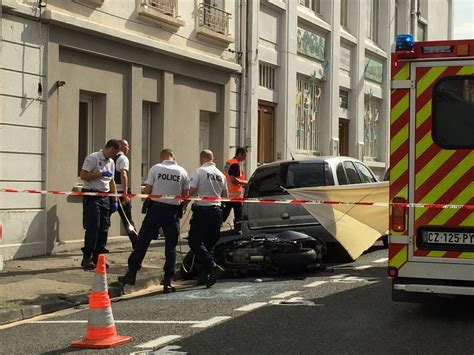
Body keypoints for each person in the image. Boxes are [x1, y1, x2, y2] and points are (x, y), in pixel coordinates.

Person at [118, 149, 189, 293]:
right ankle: (167, 282)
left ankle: (131, 273)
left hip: (155, 210)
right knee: (170, 247)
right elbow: (186, 195)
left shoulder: (156, 168)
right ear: (173, 157)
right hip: (172, 212)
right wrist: (182, 207)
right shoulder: (182, 171)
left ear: (161, 157)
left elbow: (147, 190)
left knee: (143, 242)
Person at [187, 150, 228, 288]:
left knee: (194, 241)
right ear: (212, 159)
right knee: (210, 244)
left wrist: (184, 204)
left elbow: (191, 191)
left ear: (202, 159)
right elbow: (225, 195)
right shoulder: (221, 175)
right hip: (216, 212)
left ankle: (212, 266)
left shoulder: (199, 171)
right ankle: (205, 276)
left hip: (202, 211)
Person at [79, 139, 121, 270]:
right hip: (92, 195)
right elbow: (83, 175)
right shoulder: (93, 158)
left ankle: (99, 258)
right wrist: (100, 174)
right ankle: (87, 258)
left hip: (105, 196)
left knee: (104, 227)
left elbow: (112, 181)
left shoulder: (111, 162)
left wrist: (114, 199)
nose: (114, 155)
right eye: (114, 152)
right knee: (93, 227)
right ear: (109, 148)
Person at [113, 139, 137, 248]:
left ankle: (99, 246)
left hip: (110, 192)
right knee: (128, 220)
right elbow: (123, 174)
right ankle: (136, 244)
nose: (128, 148)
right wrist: (126, 194)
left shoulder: (110, 158)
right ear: (122, 146)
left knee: (104, 220)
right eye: (127, 146)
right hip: (121, 193)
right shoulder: (123, 158)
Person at [222, 147, 248, 233]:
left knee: (223, 214)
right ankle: (238, 231)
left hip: (228, 194)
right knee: (238, 215)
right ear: (239, 154)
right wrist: (245, 183)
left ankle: (213, 227)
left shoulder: (229, 162)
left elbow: (228, 177)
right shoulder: (235, 164)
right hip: (234, 196)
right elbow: (233, 180)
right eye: (244, 155)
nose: (245, 158)